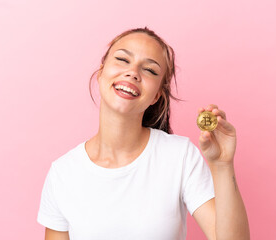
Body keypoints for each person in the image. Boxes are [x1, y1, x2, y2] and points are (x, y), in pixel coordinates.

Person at [37, 27, 250, 240]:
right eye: (122, 59)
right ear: (101, 72)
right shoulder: (63, 173)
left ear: (157, 95)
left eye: (150, 70)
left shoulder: (180, 155)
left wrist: (222, 166)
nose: (133, 73)